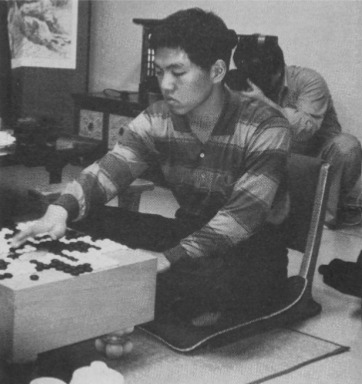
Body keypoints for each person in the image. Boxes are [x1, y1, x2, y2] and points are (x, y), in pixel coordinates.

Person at [12, 8, 291, 357]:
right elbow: (110, 170)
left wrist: (166, 258)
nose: (165, 84)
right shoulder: (158, 118)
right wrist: (59, 210)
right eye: (160, 72)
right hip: (188, 233)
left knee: (215, 275)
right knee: (86, 222)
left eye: (178, 72)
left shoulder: (266, 125)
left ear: (217, 71)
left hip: (251, 251)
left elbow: (241, 219)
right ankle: (161, 290)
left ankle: (169, 292)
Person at [230, 35, 362, 229]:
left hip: (314, 155)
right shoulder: (247, 82)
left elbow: (306, 129)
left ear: (278, 70)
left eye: (265, 80)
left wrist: (266, 104)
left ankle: (322, 220)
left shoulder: (309, 81)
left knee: (346, 146)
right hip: (276, 154)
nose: (260, 85)